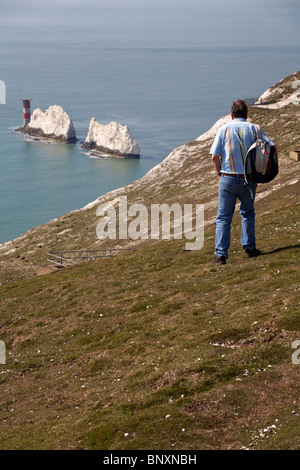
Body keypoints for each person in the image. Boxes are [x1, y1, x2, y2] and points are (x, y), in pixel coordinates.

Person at [210, 99, 274, 265]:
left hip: (228, 178)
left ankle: (221, 255)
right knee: (247, 213)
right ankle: (249, 248)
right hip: (248, 178)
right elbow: (271, 146)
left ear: (231, 115)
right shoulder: (254, 129)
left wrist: (219, 173)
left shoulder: (224, 129)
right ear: (247, 114)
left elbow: (214, 156)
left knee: (224, 217)